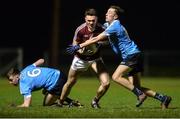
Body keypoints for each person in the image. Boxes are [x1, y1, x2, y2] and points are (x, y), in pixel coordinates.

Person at [66, 5, 172, 109]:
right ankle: (163, 98)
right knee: (135, 87)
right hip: (135, 55)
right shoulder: (108, 25)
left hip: (131, 55)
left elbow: (96, 39)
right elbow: (103, 39)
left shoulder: (115, 25)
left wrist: (78, 46)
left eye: (110, 13)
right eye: (107, 12)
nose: (106, 14)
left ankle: (140, 95)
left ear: (115, 16)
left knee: (116, 77)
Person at [59, 8, 110, 109]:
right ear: (85, 19)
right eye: (89, 20)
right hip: (80, 59)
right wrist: (82, 50)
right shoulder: (80, 30)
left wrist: (98, 43)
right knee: (70, 82)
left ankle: (95, 101)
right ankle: (60, 102)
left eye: (93, 20)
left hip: (95, 59)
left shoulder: (102, 29)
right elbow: (74, 46)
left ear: (97, 19)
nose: (91, 23)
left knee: (106, 83)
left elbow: (108, 41)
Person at [7, 58, 82, 107]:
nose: (10, 82)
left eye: (11, 80)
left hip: (56, 82)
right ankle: (71, 102)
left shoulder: (23, 84)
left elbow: (27, 105)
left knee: (46, 105)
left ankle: (69, 104)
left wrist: (16, 107)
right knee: (45, 91)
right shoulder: (26, 69)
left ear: (17, 76)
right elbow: (42, 60)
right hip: (60, 74)